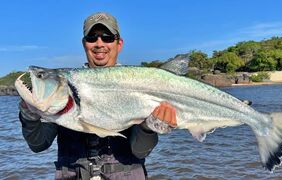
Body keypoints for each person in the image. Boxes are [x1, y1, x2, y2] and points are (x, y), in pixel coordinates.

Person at [19, 12, 177, 180]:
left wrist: (148, 128)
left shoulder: (137, 85)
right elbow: (38, 145)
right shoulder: (65, 89)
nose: (99, 44)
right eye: (92, 38)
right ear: (84, 43)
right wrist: (29, 116)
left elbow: (140, 150)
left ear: (119, 43)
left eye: (107, 37)